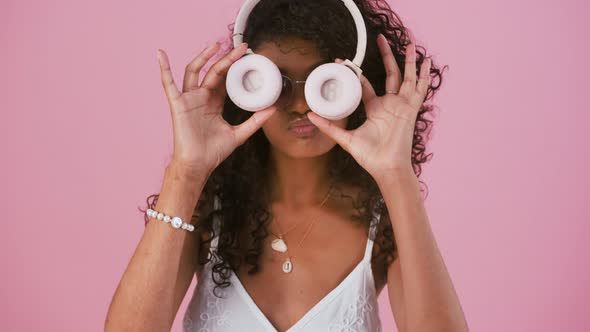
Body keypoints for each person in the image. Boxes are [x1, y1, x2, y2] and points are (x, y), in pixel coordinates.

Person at [105, 0, 468, 331]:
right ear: (246, 86)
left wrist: (396, 174)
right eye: (276, 83)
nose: (298, 105)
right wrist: (186, 172)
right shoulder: (207, 210)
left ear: (356, 85)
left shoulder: (381, 222)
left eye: (323, 83)